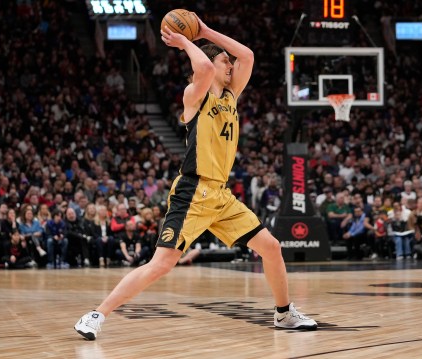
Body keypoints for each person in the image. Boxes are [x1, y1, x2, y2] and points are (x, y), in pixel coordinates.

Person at [75, 14, 317, 340]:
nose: (230, 65)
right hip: (193, 191)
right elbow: (202, 69)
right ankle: (95, 315)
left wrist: (203, 30)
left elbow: (247, 55)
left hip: (220, 195)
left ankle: (284, 314)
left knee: (271, 247)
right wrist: (187, 41)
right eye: (223, 61)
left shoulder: (231, 95)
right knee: (161, 264)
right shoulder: (195, 95)